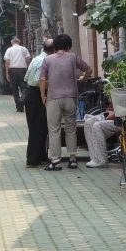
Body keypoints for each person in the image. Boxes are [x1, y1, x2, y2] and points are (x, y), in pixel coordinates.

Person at [39, 34, 91, 170]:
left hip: (53, 98)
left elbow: (42, 79)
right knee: (71, 128)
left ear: (55, 47)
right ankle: (73, 159)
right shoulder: (73, 57)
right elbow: (89, 69)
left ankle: (55, 161)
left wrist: (42, 95)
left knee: (54, 129)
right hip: (70, 98)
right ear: (68, 46)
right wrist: (83, 79)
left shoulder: (47, 60)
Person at [23, 39, 54, 167]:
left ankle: (41, 156)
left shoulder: (36, 59)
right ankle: (32, 159)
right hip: (36, 95)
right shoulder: (44, 61)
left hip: (31, 94)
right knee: (37, 128)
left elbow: (26, 77)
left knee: (41, 127)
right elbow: (37, 80)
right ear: (53, 50)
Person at [3, 37, 31, 112]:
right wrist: (28, 68)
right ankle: (22, 100)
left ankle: (19, 107)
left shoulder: (9, 50)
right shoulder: (23, 49)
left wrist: (7, 73)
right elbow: (28, 59)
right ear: (19, 41)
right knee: (24, 88)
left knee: (14, 89)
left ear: (12, 42)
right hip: (22, 70)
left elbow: (7, 62)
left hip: (12, 70)